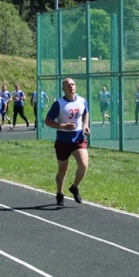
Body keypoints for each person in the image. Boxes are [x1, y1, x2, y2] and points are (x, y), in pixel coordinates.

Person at [45, 78, 91, 207]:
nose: (71, 87)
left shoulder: (82, 101)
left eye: (73, 84)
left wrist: (85, 125)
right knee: (63, 170)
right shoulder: (58, 104)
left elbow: (85, 113)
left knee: (83, 165)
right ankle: (59, 193)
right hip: (63, 140)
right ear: (63, 89)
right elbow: (48, 121)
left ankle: (74, 187)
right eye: (68, 85)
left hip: (78, 138)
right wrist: (63, 126)